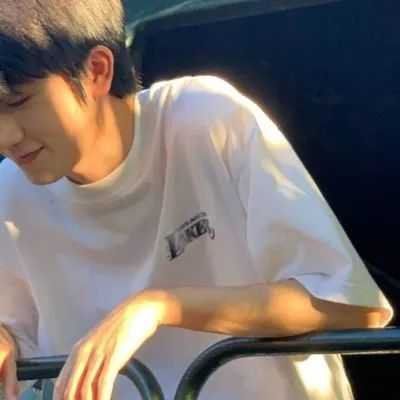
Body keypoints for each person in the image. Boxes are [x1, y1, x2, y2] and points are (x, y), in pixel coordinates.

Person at [0, 1, 393, 399]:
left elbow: (350, 305)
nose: (5, 136)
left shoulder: (204, 119)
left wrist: (161, 307)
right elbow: (15, 335)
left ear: (97, 70)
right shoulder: (11, 192)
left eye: (18, 102)